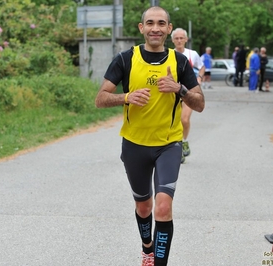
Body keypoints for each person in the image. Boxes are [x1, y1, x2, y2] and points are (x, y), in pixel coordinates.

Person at [94, 6, 205, 266]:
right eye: (150, 23)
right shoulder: (125, 59)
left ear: (168, 29)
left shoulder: (179, 62)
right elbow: (100, 99)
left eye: (161, 23)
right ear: (141, 28)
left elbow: (199, 104)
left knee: (163, 208)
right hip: (134, 145)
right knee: (144, 208)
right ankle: (147, 248)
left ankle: (158, 263)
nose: (156, 27)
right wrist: (126, 97)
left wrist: (179, 89)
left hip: (168, 144)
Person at [171, 27, 205, 163]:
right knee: (174, 121)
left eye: (181, 38)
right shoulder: (169, 54)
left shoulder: (192, 54)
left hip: (188, 92)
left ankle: (183, 142)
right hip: (173, 93)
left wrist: (200, 77)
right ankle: (176, 146)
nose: (179, 41)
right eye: (176, 38)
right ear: (172, 40)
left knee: (184, 119)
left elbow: (201, 67)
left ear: (186, 39)